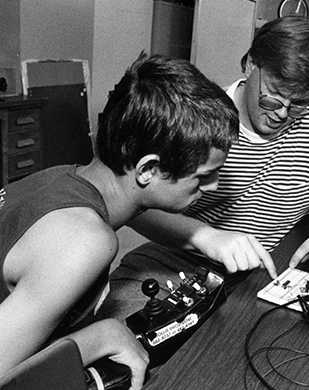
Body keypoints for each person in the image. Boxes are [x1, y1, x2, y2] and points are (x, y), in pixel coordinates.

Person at [97, 16, 309, 325]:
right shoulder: (195, 120)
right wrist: (204, 236)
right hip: (177, 262)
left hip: (262, 277)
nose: (282, 114)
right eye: (273, 95)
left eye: (300, 103)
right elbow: (131, 201)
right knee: (118, 341)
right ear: (251, 65)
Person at [0, 52, 239, 388]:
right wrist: (100, 336)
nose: (213, 186)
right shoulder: (83, 242)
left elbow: (137, 211)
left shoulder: (66, 177)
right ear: (148, 169)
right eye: (203, 177)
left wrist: (203, 235)